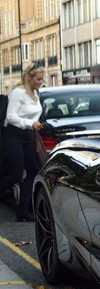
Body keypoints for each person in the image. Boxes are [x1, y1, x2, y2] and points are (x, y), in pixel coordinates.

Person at [0, 63, 44, 222]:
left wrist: (36, 124)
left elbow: (34, 115)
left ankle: (23, 211)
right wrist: (30, 123)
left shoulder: (35, 93)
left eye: (42, 79)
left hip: (29, 136)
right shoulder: (18, 93)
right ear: (29, 77)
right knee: (16, 173)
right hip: (13, 136)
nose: (41, 82)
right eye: (38, 79)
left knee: (33, 171)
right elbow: (10, 117)